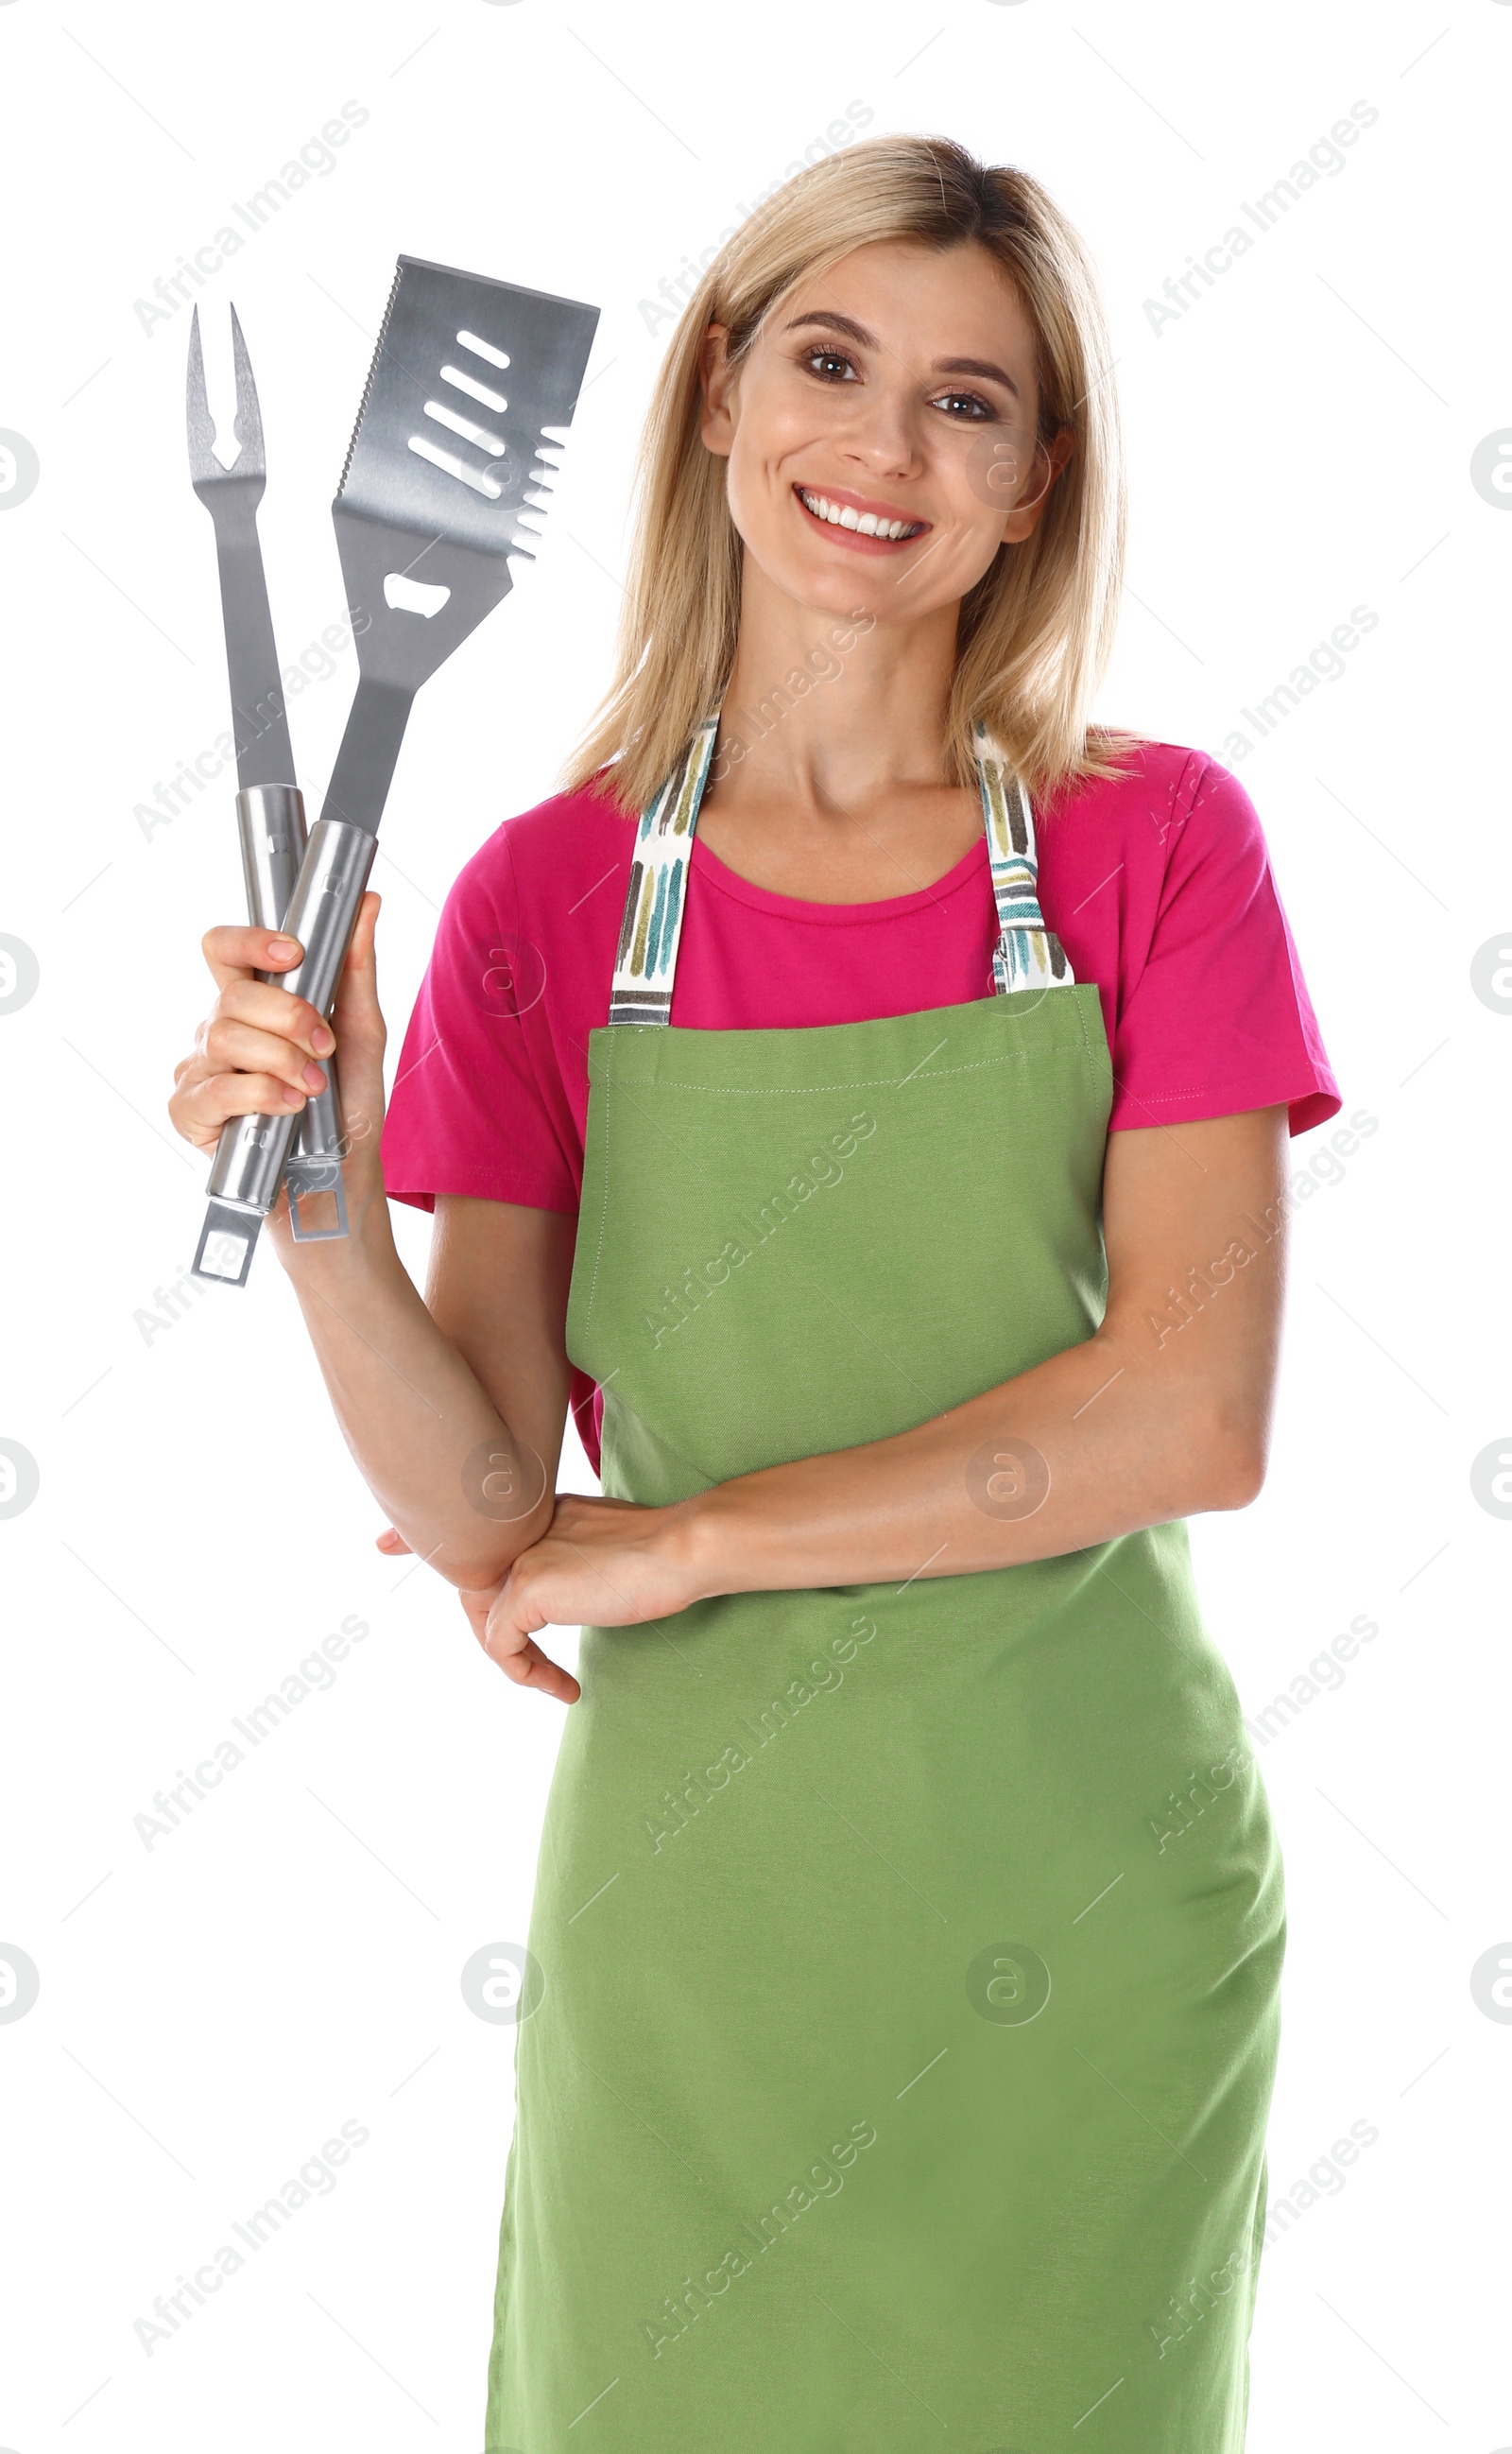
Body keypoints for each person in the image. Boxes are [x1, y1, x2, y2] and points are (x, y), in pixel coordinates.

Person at [170, 135, 1340, 2453]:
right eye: (826, 359)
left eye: (966, 402)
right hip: (697, 1946)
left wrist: (698, 1534)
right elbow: (496, 1503)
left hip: (1074, 1910)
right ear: (715, 397)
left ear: (1034, 485)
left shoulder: (1149, 844)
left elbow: (1187, 1410)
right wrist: (313, 1189)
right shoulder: (537, 896)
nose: (880, 446)